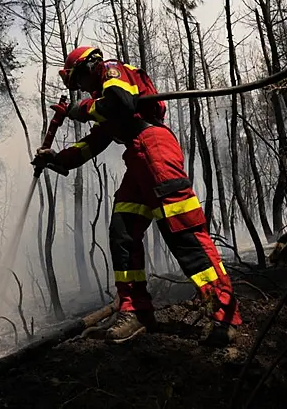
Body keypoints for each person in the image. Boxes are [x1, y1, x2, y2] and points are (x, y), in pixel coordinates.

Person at [33, 46, 242, 345]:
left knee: (184, 233)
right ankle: (136, 311)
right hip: (138, 158)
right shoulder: (103, 102)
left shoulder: (114, 73)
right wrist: (54, 159)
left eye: (79, 79)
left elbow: (119, 102)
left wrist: (79, 110)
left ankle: (223, 316)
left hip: (155, 150)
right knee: (123, 231)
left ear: (91, 65)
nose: (80, 87)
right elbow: (93, 144)